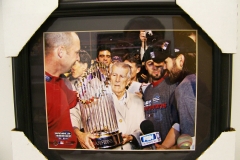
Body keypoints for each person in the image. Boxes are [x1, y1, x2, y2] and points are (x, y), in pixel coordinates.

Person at [44, 32, 81, 148]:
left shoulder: (59, 81)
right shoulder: (40, 91)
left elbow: (74, 100)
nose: (78, 58)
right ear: (61, 52)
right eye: (76, 52)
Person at [142, 42, 180, 149]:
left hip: (169, 150)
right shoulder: (147, 90)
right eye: (150, 64)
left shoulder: (173, 85)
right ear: (145, 66)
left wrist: (165, 147)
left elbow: (179, 123)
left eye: (158, 63)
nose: (155, 67)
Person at [164, 36, 197, 138]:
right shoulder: (196, 80)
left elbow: (190, 139)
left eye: (166, 62)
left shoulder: (185, 87)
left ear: (180, 60)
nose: (165, 67)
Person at [110, 62, 145, 150]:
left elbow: (142, 130)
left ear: (128, 81)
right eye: (114, 75)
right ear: (110, 77)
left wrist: (131, 137)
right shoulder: (99, 100)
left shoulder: (138, 102)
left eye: (122, 76)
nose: (117, 80)